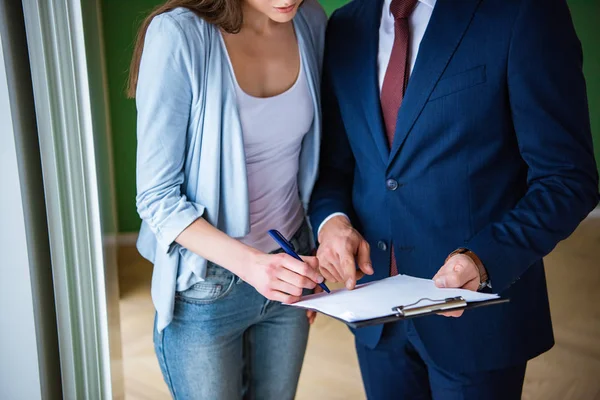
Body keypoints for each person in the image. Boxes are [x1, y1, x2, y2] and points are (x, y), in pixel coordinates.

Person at [310, 0, 599, 398]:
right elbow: (335, 168)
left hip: (476, 319)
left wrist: (483, 259)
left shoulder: (524, 12)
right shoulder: (346, 24)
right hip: (373, 315)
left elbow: (568, 179)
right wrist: (333, 222)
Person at [128, 0, 327, 398]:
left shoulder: (311, 20)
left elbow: (311, 159)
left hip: (290, 266)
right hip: (207, 288)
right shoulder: (178, 35)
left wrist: (315, 245)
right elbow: (156, 197)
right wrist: (254, 267)